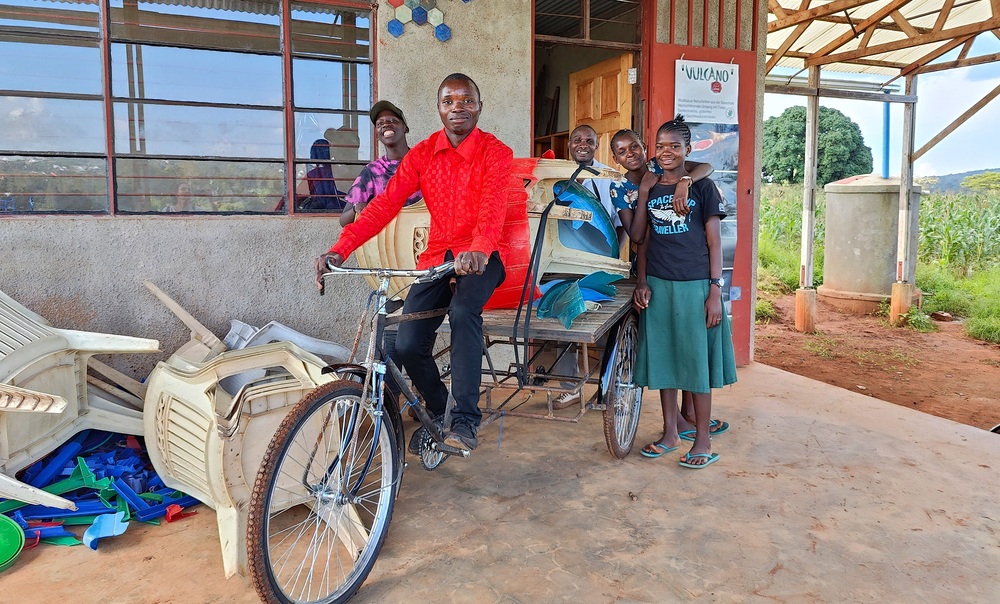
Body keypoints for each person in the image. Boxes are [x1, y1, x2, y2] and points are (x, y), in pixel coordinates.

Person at [315, 73, 527, 453]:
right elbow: (384, 204)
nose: (457, 107)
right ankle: (440, 409)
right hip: (437, 257)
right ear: (439, 109)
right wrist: (340, 248)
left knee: (463, 313)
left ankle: (464, 421)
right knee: (408, 343)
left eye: (465, 100)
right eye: (448, 101)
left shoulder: (496, 152)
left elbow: (494, 205)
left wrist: (479, 248)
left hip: (482, 257)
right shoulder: (424, 154)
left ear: (479, 107)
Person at [608, 129, 731, 442]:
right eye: (621, 151)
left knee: (691, 351)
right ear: (615, 158)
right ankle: (675, 426)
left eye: (634, 146)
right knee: (667, 350)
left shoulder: (664, 168)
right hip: (656, 273)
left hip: (693, 276)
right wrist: (647, 192)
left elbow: (702, 168)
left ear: (643, 146)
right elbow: (639, 238)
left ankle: (693, 421)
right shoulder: (624, 187)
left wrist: (685, 182)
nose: (630, 154)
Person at [340, 100, 421, 226]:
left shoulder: (425, 163)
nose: (386, 125)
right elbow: (344, 221)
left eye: (393, 120)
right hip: (386, 242)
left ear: (405, 128)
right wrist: (358, 208)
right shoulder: (372, 171)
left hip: (422, 240)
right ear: (377, 135)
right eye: (380, 123)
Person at [297, 139, 346, 211]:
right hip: (330, 207)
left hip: (323, 208)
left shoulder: (313, 174)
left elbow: (299, 195)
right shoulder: (338, 170)